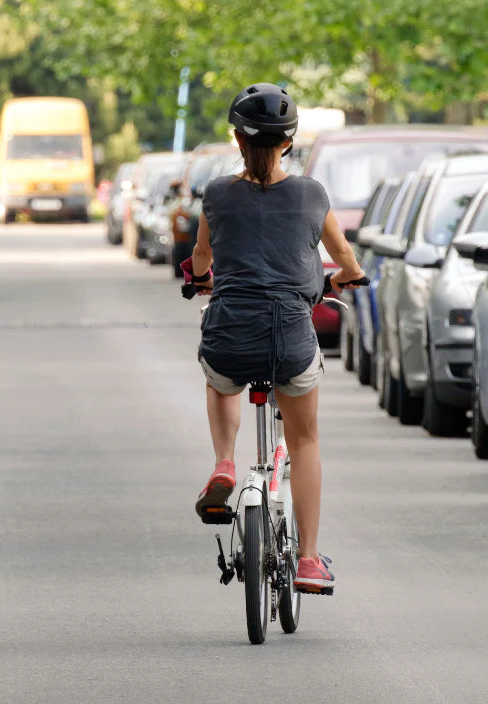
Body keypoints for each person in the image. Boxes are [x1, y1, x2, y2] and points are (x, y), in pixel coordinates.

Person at [191, 83, 365, 593]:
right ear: (288, 142)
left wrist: (201, 277)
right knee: (306, 438)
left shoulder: (217, 194)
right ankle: (308, 559)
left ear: (237, 141)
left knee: (220, 378)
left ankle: (225, 461)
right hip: (290, 338)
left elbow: (203, 258)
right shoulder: (312, 195)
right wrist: (347, 276)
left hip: (230, 331)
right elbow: (346, 260)